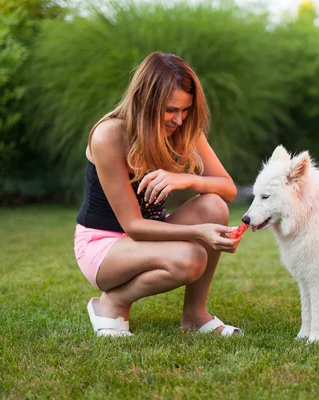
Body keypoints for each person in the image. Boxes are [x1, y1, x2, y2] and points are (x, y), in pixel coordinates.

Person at [73, 52, 244, 337]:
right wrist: (199, 232)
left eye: (185, 109)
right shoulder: (110, 135)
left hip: (152, 232)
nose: (179, 119)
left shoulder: (182, 130)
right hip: (105, 246)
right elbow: (134, 227)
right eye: (170, 110)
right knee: (191, 258)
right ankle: (113, 302)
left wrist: (184, 179)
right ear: (143, 99)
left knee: (214, 205)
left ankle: (194, 315)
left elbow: (227, 189)